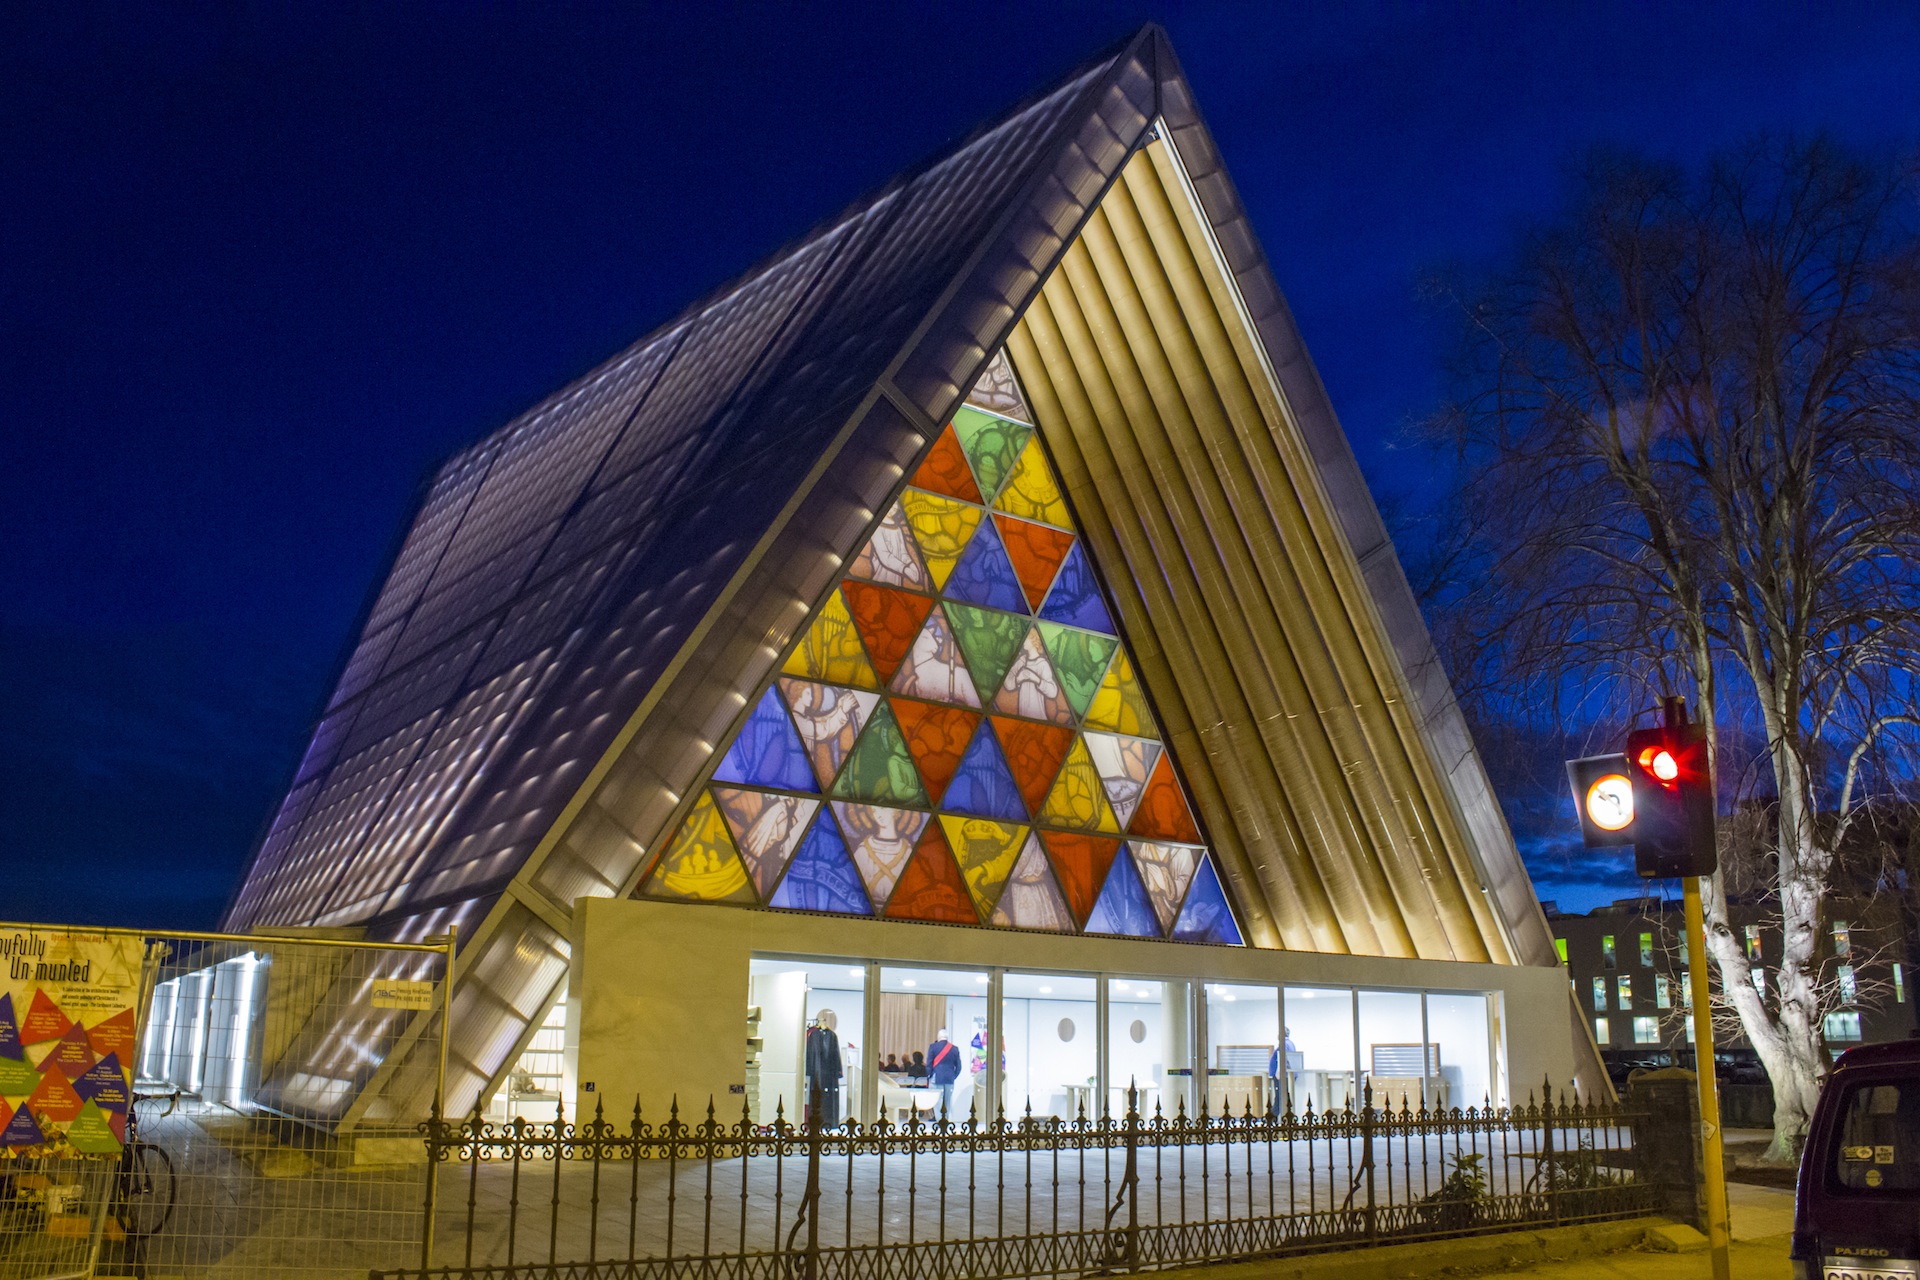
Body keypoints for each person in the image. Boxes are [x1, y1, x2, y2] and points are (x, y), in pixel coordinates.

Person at [805, 1009, 843, 1128]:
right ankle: (816, 1123)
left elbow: (836, 1054)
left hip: (828, 1073)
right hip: (818, 1073)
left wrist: (837, 1072)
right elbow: (810, 1055)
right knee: (817, 1097)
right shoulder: (813, 1036)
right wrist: (809, 1071)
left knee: (827, 1098)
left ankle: (829, 1122)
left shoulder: (832, 1036)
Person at [927, 1028, 961, 1116]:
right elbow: (959, 1067)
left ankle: (939, 1121)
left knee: (938, 1101)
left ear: (938, 1037)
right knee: (947, 1101)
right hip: (949, 1079)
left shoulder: (933, 1047)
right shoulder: (954, 1049)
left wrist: (929, 1075)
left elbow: (929, 1064)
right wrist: (953, 1076)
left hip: (936, 1078)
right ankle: (945, 1120)